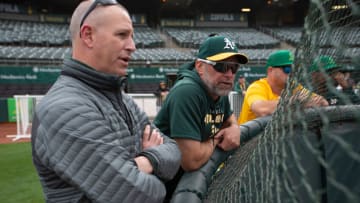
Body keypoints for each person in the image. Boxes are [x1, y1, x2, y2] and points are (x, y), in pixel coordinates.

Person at [30, 1, 181, 203]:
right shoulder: (63, 108)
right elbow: (143, 195)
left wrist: (144, 161)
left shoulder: (123, 99)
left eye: (132, 37)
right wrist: (153, 161)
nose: (132, 46)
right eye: (122, 35)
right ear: (88, 35)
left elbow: (173, 150)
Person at [153, 35, 248, 200]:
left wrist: (233, 127)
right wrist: (217, 139)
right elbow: (191, 160)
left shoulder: (218, 88)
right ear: (200, 66)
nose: (229, 74)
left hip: (187, 185)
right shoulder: (187, 92)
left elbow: (230, 118)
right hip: (161, 189)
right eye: (222, 66)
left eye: (234, 68)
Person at [238, 50, 328, 125]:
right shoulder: (257, 87)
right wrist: (294, 102)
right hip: (248, 140)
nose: (292, 74)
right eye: (287, 69)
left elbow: (323, 102)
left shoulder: (294, 86)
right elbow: (261, 109)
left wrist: (306, 101)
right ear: (270, 70)